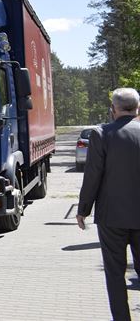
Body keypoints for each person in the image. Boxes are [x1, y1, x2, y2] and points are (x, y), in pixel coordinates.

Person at [76, 87, 140, 321]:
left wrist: (83, 209)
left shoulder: (101, 134)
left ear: (113, 109)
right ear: (138, 108)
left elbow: (93, 175)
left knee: (114, 274)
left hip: (112, 217)